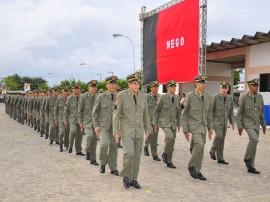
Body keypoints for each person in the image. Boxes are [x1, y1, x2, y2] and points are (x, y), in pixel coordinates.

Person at [113, 72, 150, 189]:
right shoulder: (122, 96)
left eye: (138, 83)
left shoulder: (143, 96)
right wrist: (116, 132)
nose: (136, 85)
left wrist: (147, 129)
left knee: (137, 156)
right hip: (126, 130)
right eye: (134, 83)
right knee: (129, 153)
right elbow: (116, 115)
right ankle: (126, 175)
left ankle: (134, 178)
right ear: (129, 84)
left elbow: (146, 114)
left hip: (139, 131)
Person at [181, 75, 213, 181]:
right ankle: (191, 166)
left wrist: (210, 128)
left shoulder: (208, 96)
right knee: (199, 144)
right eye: (201, 83)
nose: (203, 85)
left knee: (201, 148)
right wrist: (185, 129)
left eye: (204, 83)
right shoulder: (190, 96)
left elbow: (209, 114)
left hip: (203, 126)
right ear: (196, 84)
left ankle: (198, 170)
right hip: (193, 125)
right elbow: (184, 114)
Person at [236, 78, 266, 174]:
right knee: (254, 139)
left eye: (257, 85)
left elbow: (261, 112)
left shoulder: (260, 97)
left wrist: (263, 124)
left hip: (256, 123)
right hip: (247, 122)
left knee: (254, 144)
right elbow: (239, 113)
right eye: (254, 86)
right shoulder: (244, 97)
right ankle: (247, 158)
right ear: (249, 87)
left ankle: (251, 166)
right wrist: (239, 126)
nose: (256, 87)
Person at [93, 76, 119, 175]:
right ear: (107, 85)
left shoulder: (119, 96)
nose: (113, 85)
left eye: (115, 84)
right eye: (111, 84)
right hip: (104, 125)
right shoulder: (101, 96)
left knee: (114, 146)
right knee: (104, 144)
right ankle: (103, 163)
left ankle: (113, 167)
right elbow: (95, 112)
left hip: (116, 126)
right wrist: (96, 125)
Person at [153, 80, 182, 168]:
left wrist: (179, 123)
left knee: (172, 141)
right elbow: (157, 111)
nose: (173, 88)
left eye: (174, 86)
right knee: (170, 137)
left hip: (173, 122)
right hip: (164, 122)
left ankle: (169, 161)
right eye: (171, 86)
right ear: (167, 88)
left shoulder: (177, 97)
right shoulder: (163, 97)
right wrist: (155, 123)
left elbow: (178, 112)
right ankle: (165, 153)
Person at [209, 81, 234, 165]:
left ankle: (220, 158)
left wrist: (232, 122)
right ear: (220, 88)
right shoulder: (215, 97)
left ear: (228, 89)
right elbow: (210, 111)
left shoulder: (230, 98)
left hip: (224, 122)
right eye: (222, 88)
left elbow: (231, 111)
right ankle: (212, 150)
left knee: (222, 139)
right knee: (219, 136)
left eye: (225, 88)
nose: (224, 90)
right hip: (216, 122)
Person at [78, 80, 99, 164]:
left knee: (94, 141)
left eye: (95, 86)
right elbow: (80, 111)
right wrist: (80, 122)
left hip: (96, 122)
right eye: (92, 86)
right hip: (87, 121)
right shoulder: (83, 97)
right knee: (90, 136)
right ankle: (87, 150)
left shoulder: (99, 97)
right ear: (89, 87)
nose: (94, 88)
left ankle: (93, 159)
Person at [64, 84, 84, 156]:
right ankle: (70, 145)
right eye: (75, 88)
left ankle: (78, 150)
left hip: (81, 120)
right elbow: (66, 111)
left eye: (78, 88)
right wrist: (65, 121)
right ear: (72, 90)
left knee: (80, 135)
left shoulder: (82, 98)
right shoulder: (69, 98)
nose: (77, 90)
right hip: (72, 119)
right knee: (73, 131)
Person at [144, 81, 161, 161]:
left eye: (157, 87)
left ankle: (154, 155)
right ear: (151, 88)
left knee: (155, 138)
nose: (156, 88)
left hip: (156, 121)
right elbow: (143, 109)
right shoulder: (146, 97)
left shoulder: (160, 97)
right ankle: (146, 147)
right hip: (148, 120)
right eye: (154, 87)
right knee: (150, 133)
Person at [54, 87, 69, 152]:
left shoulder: (70, 99)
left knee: (67, 133)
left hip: (69, 119)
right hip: (61, 118)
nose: (66, 93)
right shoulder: (59, 99)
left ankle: (67, 145)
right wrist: (56, 119)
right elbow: (56, 110)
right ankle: (60, 144)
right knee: (62, 132)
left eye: (67, 91)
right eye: (64, 91)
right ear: (62, 92)